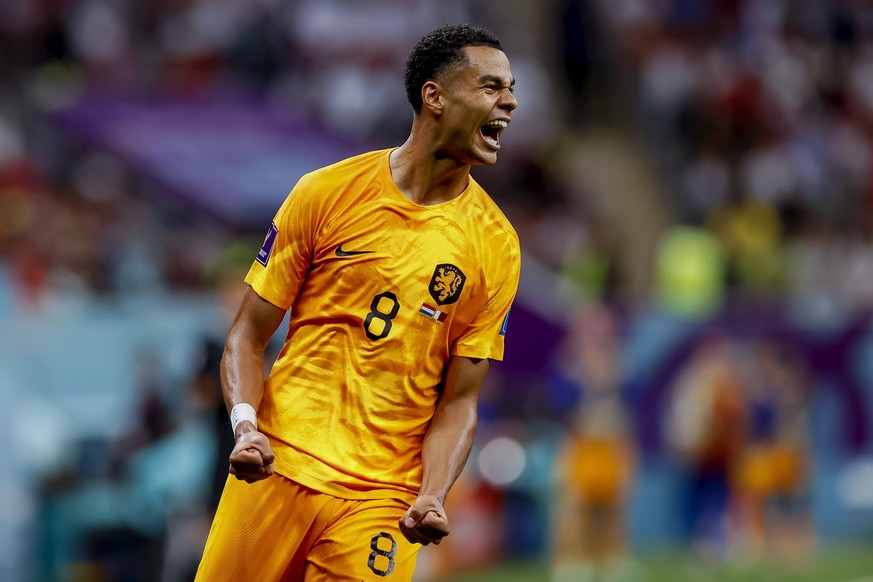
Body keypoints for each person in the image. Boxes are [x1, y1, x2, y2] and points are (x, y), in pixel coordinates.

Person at [195, 23, 520, 581]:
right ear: (434, 97)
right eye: (491, 87)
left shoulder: (496, 246)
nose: (510, 102)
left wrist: (434, 493)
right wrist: (246, 426)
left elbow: (460, 400)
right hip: (280, 462)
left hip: (383, 500)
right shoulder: (325, 193)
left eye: (511, 88)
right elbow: (248, 336)